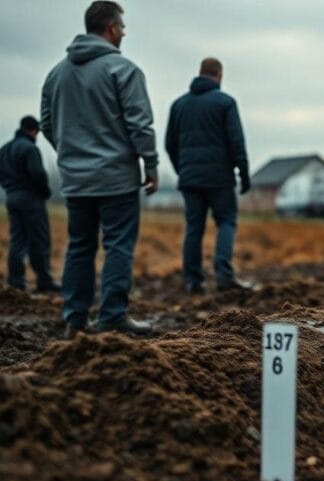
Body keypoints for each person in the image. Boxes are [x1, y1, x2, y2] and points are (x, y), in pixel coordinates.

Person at [41, 1, 158, 338]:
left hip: (75, 180)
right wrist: (149, 164)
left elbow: (48, 123)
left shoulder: (56, 73)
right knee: (118, 245)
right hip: (116, 177)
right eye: (121, 27)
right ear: (110, 28)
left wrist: (71, 154)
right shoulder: (124, 70)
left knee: (79, 246)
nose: (123, 33)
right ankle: (112, 317)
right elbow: (141, 124)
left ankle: (74, 320)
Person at [165, 57, 253, 294]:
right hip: (220, 178)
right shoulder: (225, 103)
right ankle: (224, 275)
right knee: (226, 221)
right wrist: (243, 174)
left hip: (190, 178)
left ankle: (193, 280)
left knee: (194, 227)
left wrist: (182, 170)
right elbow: (237, 142)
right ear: (219, 75)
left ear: (200, 73)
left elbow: (169, 144)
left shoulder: (179, 105)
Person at [0, 116, 59, 293]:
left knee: (18, 240)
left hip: (11, 197)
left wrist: (10, 189)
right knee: (40, 240)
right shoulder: (29, 148)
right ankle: (44, 281)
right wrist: (45, 192)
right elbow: (38, 174)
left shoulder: (4, 149)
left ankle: (16, 282)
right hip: (30, 199)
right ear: (33, 130)